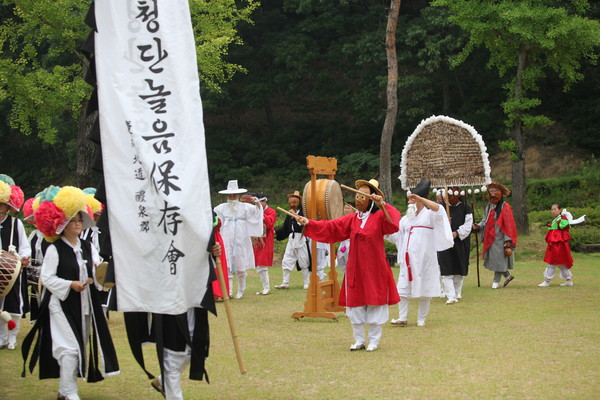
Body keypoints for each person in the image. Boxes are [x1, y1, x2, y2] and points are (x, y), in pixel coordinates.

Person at [23, 186, 119, 400]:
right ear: (61, 223)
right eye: (73, 220)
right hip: (60, 306)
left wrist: (101, 276)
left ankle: (63, 391)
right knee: (69, 349)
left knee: (78, 347)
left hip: (85, 305)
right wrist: (69, 285)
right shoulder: (55, 249)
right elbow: (47, 278)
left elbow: (98, 269)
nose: (78, 223)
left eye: (79, 219)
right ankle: (70, 393)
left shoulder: (86, 246)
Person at [297, 179, 401, 352]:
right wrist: (309, 223)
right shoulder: (352, 219)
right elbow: (331, 227)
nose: (358, 199)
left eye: (362, 196)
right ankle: (359, 340)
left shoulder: (379, 217)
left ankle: (374, 341)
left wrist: (382, 204)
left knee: (376, 303)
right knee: (355, 305)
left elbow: (394, 223)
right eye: (357, 195)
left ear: (370, 199)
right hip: (355, 269)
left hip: (375, 269)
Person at [150, 242, 220, 400]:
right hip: (169, 298)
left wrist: (212, 252)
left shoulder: (195, 227)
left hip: (194, 297)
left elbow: (202, 256)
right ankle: (173, 394)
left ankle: (163, 381)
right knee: (173, 354)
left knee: (195, 349)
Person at [389, 179, 453, 327]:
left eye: (412, 200)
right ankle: (402, 317)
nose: (409, 203)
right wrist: (384, 233)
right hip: (407, 260)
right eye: (409, 201)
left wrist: (420, 198)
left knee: (425, 289)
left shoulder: (430, 215)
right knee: (402, 289)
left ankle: (421, 319)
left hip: (425, 258)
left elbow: (438, 209)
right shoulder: (405, 219)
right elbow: (397, 236)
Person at [213, 180, 263, 299]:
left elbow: (258, 213)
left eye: (234, 195)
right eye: (230, 195)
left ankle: (241, 290)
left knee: (241, 264)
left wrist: (257, 203)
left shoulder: (246, 207)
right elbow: (213, 217)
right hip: (227, 235)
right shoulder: (221, 208)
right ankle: (228, 291)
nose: (232, 197)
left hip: (241, 236)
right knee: (228, 264)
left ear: (238, 196)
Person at [0, 174, 31, 350]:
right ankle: (2, 337)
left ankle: (12, 337)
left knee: (13, 306)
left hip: (12, 273)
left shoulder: (16, 224)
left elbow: (25, 248)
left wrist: (22, 259)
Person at [473, 182, 518, 289]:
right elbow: (485, 221)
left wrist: (508, 242)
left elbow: (508, 224)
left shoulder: (504, 206)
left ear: (501, 193)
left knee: (499, 259)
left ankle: (495, 282)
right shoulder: (489, 206)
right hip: (491, 238)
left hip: (501, 238)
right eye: (491, 191)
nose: (493, 194)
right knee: (496, 260)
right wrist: (478, 226)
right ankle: (507, 276)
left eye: (495, 191)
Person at [437, 187, 473, 304]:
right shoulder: (441, 208)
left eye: (453, 194)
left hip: (460, 243)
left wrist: (456, 233)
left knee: (459, 269)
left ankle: (457, 292)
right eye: (449, 195)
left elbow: (468, 226)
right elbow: (434, 223)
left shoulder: (465, 208)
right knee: (446, 268)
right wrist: (445, 223)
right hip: (444, 243)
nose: (451, 197)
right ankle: (450, 296)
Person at [538, 204, 585, 287]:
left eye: (555, 209)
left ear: (559, 210)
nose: (553, 211)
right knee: (561, 263)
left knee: (552, 263)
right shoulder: (557, 219)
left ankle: (547, 281)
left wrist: (563, 220)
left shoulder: (561, 218)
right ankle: (568, 280)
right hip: (556, 244)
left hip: (558, 245)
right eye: (552, 209)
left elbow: (564, 227)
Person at [274, 191, 311, 290]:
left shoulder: (304, 212)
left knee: (303, 261)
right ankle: (285, 282)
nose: (292, 204)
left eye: (294, 202)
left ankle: (307, 282)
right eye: (290, 202)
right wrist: (276, 232)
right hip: (292, 239)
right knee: (287, 259)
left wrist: (294, 215)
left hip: (301, 238)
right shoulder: (289, 213)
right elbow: (286, 227)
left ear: (299, 202)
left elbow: (303, 224)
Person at [252, 193, 276, 295]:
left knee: (262, 265)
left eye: (261, 201)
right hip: (256, 240)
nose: (260, 204)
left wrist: (260, 213)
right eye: (258, 202)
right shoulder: (254, 211)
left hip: (266, 240)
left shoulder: (271, 212)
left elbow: (269, 224)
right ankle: (264, 287)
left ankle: (267, 287)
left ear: (265, 201)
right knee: (258, 265)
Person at [335, 203, 356, 273]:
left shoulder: (356, 218)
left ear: (353, 209)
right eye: (345, 208)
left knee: (350, 259)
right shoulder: (342, 218)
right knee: (340, 258)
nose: (346, 210)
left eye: (348, 208)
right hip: (343, 242)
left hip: (352, 242)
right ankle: (346, 274)